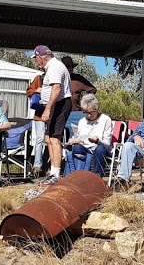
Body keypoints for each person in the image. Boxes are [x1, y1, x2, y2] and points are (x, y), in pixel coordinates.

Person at [30, 45, 72, 185]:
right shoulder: (51, 68)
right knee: (48, 139)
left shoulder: (54, 67)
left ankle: (55, 174)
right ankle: (52, 172)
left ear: (41, 57)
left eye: (36, 59)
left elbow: (56, 89)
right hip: (54, 105)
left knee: (54, 139)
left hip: (59, 104)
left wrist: (48, 108)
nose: (36, 62)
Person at [63, 93, 113, 177]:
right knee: (77, 148)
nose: (89, 115)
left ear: (97, 109)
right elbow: (79, 138)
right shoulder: (82, 121)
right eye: (86, 112)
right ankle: (79, 174)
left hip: (100, 147)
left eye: (91, 112)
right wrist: (74, 140)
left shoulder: (106, 120)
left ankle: (97, 176)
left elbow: (107, 143)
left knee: (99, 150)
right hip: (85, 147)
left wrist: (97, 140)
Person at [26, 71, 46, 177]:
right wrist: (36, 90)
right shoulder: (39, 78)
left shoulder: (58, 79)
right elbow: (28, 91)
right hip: (39, 115)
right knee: (40, 139)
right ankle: (37, 165)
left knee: (51, 141)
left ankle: (48, 165)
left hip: (54, 115)